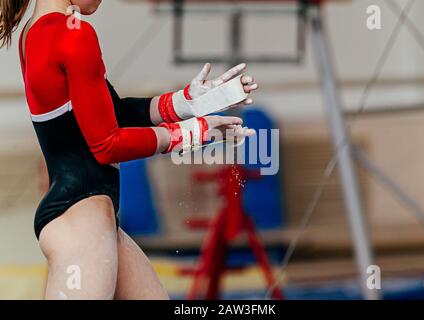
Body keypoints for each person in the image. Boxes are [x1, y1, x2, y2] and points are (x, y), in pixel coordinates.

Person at [0, 0, 258, 300]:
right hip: (82, 228)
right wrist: (193, 133)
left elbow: (110, 113)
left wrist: (185, 103)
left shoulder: (35, 32)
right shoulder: (73, 35)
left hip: (90, 221)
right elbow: (106, 145)